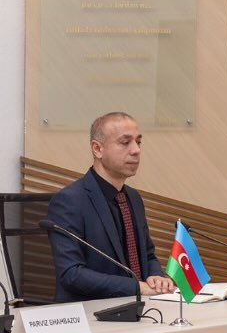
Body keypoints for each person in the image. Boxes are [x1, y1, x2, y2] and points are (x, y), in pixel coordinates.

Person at [47, 111, 175, 301]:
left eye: (138, 142)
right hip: (91, 311)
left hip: (138, 308)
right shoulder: (69, 200)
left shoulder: (133, 197)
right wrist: (136, 287)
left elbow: (147, 255)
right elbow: (71, 273)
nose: (136, 150)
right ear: (98, 149)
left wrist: (155, 276)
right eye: (125, 142)